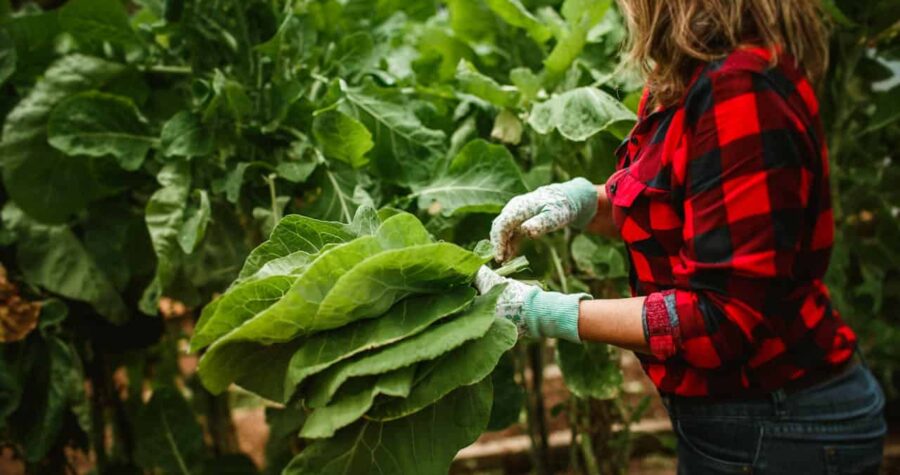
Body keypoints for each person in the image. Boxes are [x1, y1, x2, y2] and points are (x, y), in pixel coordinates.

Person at [476, 1, 887, 473]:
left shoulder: (740, 89)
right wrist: (583, 201)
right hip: (749, 420)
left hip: (783, 426)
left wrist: (546, 313)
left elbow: (720, 319)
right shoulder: (693, 75)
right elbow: (686, 210)